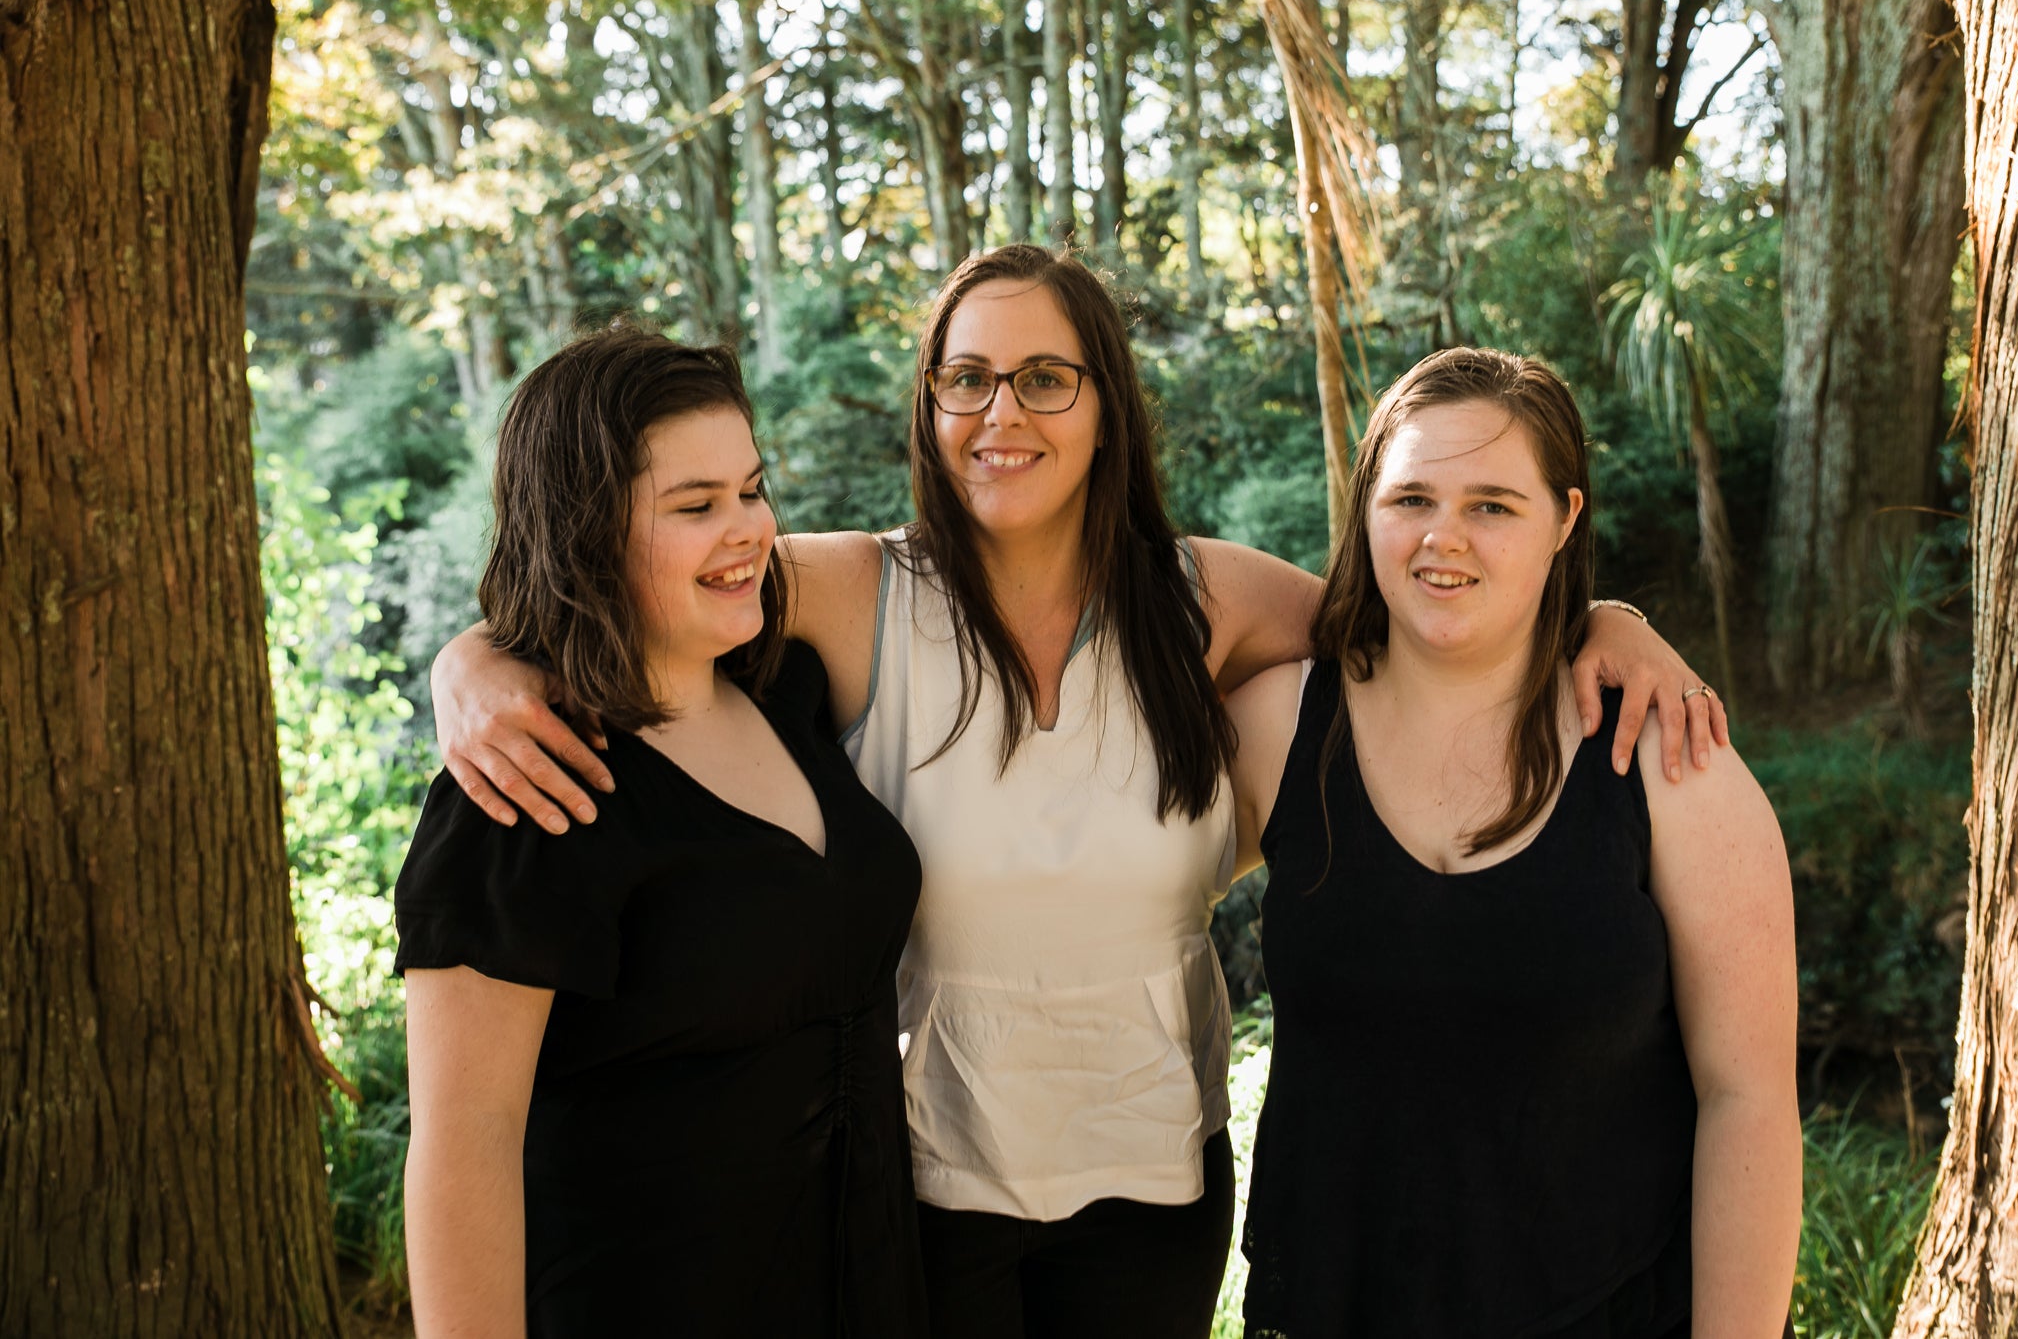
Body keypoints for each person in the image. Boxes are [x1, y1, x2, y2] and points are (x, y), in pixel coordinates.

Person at [428, 247, 1728, 1337]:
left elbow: (1428, 614)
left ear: (1108, 401)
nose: (1005, 413)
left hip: (1157, 1188)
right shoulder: (847, 592)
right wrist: (475, 662)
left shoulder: (1203, 600)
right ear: (928, 404)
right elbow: (618, 584)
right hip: (923, 1198)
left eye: (1047, 378)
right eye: (969, 378)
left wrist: (1604, 617)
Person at [1226, 347, 1800, 1338]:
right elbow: (1108, 889)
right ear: (1364, 508)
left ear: (1563, 521)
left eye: (1492, 505)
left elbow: (1745, 1098)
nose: (1443, 538)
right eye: (1410, 499)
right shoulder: (1277, 727)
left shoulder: (1668, 756)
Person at [395, 329, 926, 1338]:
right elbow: (466, 1142)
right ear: (585, 529)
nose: (747, 531)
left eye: (751, 491)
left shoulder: (793, 698)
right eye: (695, 506)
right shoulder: (521, 799)